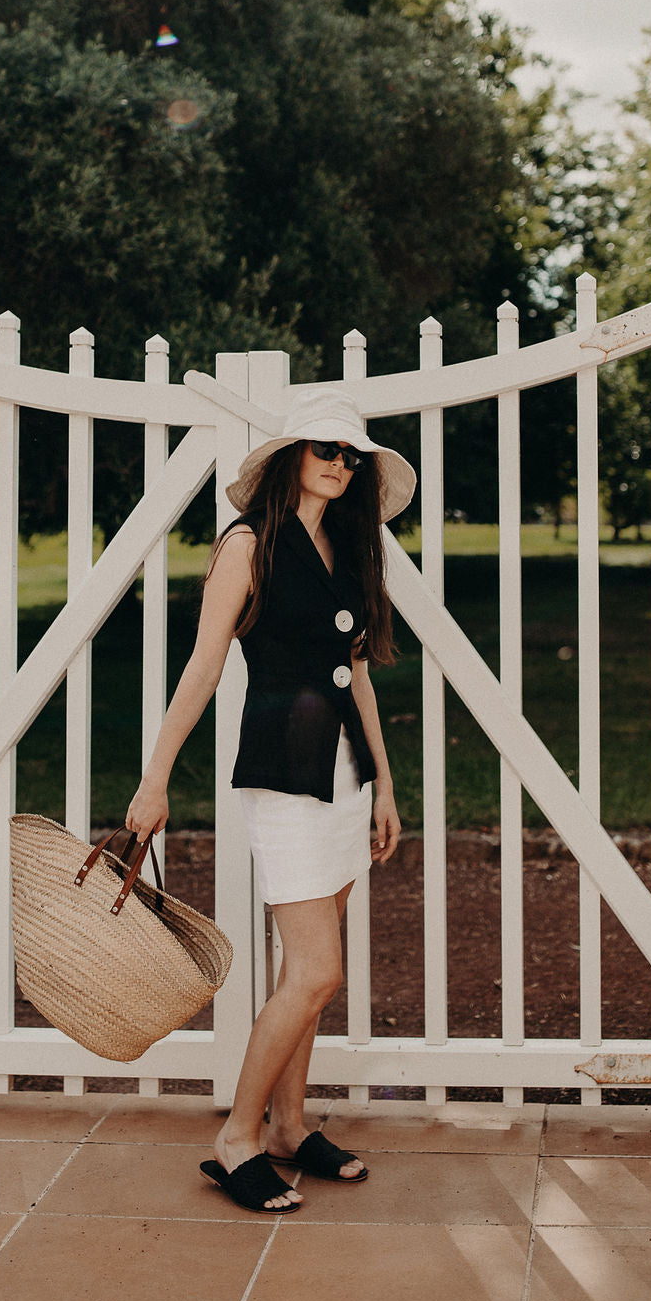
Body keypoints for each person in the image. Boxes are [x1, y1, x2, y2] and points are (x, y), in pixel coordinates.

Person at [125, 386, 416, 1214]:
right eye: (327, 451)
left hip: (346, 777)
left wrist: (386, 782)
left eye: (352, 456)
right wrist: (155, 781)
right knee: (318, 971)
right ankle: (236, 1140)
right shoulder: (247, 545)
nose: (340, 465)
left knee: (309, 973)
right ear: (292, 458)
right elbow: (203, 669)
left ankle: (288, 1128)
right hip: (284, 775)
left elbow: (356, 671)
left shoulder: (352, 551)